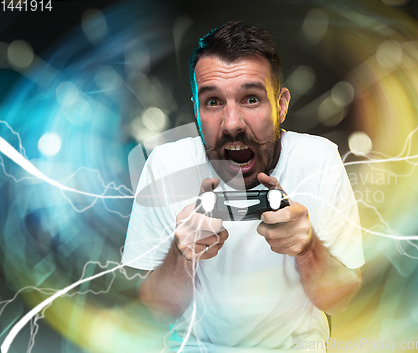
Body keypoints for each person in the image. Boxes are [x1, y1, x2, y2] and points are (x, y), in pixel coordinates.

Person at [122, 21, 364, 352]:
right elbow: (157, 309)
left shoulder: (318, 158)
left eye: (251, 99)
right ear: (195, 108)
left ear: (280, 105)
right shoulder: (167, 165)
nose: (232, 123)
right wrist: (182, 255)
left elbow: (339, 301)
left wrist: (307, 248)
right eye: (212, 102)